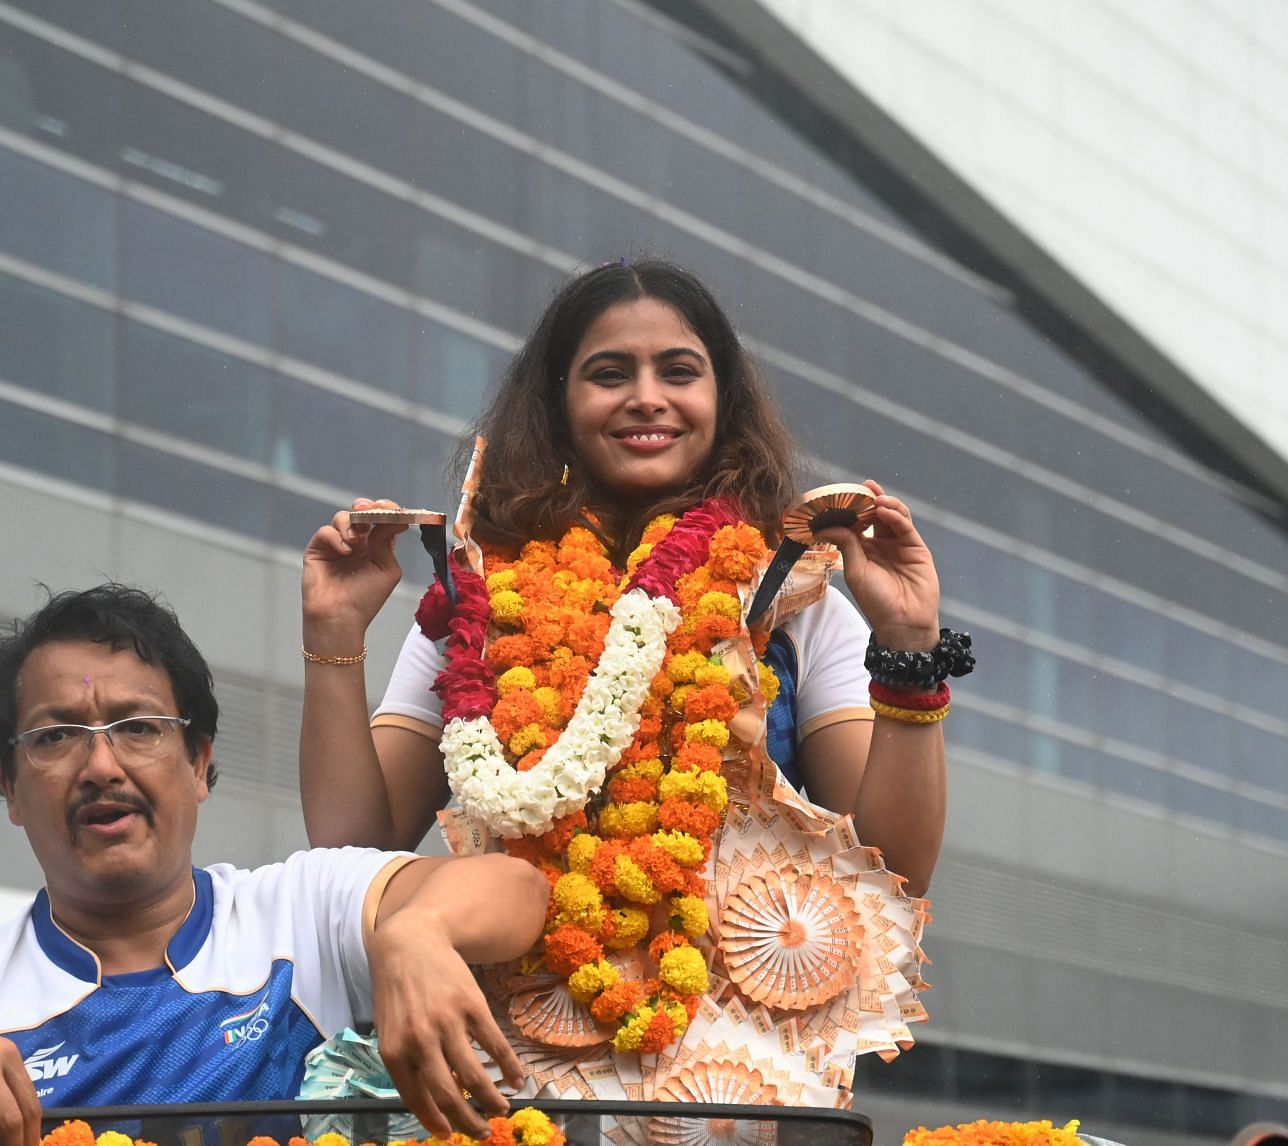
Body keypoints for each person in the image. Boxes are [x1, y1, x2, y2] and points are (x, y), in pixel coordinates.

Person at [0, 583, 545, 1146]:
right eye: (57, 738)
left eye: (139, 728)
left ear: (200, 764)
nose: (101, 765)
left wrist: (418, 931)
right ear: (6, 783)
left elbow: (517, 888)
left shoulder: (299, 916)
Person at [299, 257, 949, 891]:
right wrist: (334, 633)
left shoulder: (792, 602)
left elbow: (894, 872)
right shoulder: (477, 604)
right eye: (610, 374)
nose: (646, 399)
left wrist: (908, 640)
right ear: (557, 406)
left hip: (730, 994)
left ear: (722, 399)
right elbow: (353, 852)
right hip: (511, 992)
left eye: (679, 372)